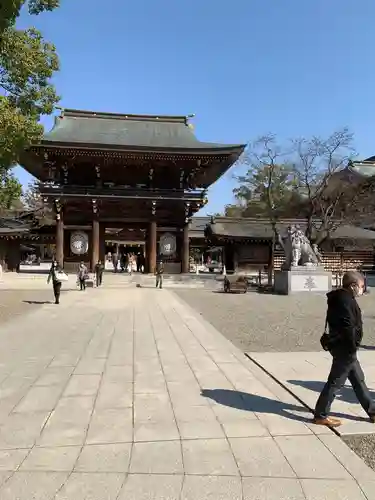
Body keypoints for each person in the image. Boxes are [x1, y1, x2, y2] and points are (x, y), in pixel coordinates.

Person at [314, 270, 375, 427]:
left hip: (345, 348)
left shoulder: (342, 298)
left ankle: (372, 410)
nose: (363, 289)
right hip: (345, 349)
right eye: (362, 286)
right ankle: (321, 414)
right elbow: (348, 327)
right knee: (335, 382)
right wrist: (353, 344)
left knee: (358, 379)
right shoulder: (344, 301)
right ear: (353, 285)